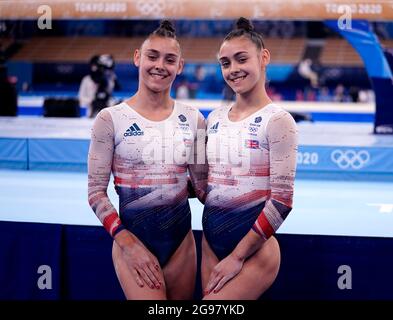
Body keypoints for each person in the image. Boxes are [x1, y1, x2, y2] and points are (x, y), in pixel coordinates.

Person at [87, 20, 207, 300]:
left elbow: (202, 189)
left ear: (180, 66)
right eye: (152, 56)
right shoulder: (110, 119)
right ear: (137, 58)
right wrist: (127, 243)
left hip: (181, 246)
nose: (159, 65)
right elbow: (95, 194)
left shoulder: (194, 119)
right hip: (132, 241)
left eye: (169, 59)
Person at [201, 17, 298, 300]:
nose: (233, 69)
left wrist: (237, 257)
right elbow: (202, 186)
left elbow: (282, 202)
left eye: (241, 59)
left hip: (254, 251)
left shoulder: (279, 121)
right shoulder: (214, 118)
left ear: (263, 57)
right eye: (225, 63)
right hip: (210, 242)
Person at [78, 54, 119, 118]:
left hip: (105, 105)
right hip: (90, 105)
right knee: (84, 104)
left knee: (113, 104)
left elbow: (115, 89)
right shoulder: (87, 79)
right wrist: (91, 101)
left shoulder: (110, 79)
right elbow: (81, 97)